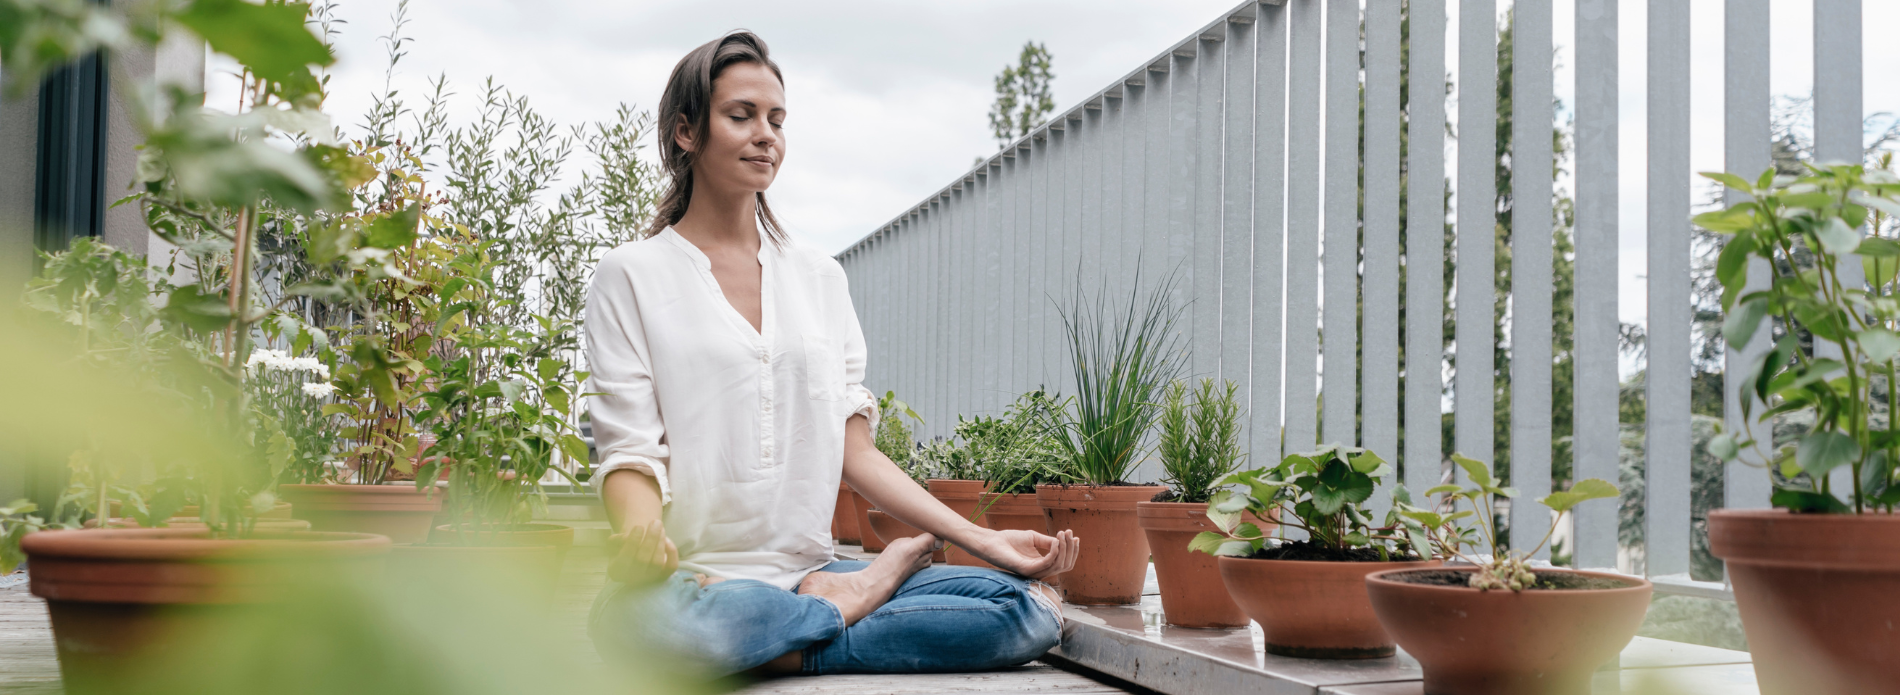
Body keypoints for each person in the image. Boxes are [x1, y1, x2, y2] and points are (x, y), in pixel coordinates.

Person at [584, 31, 1081, 678]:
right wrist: (641, 538)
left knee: (1025, 608)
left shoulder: (820, 277)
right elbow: (628, 452)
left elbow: (856, 452)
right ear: (686, 132)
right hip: (701, 578)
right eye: (742, 116)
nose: (766, 134)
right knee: (629, 622)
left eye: (777, 120)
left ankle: (801, 624)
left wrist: (985, 540)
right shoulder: (631, 275)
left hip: (812, 570)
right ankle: (857, 600)